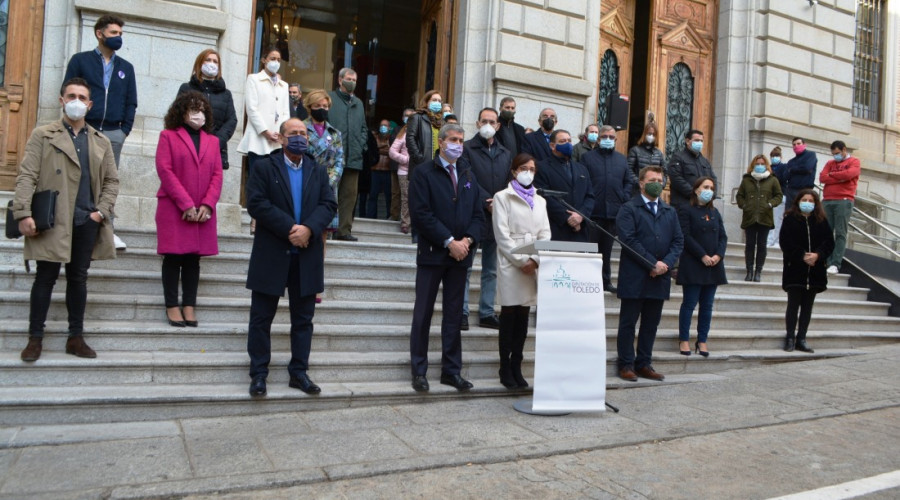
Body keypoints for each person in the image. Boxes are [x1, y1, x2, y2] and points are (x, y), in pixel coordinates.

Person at [13, 77, 119, 362]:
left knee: (78, 279)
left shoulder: (100, 141)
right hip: (53, 218)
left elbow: (111, 181)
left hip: (86, 219)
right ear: (61, 100)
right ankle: (35, 338)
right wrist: (22, 212)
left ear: (89, 104)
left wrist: (101, 212)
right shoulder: (43, 134)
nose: (76, 101)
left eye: (82, 97)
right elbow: (27, 175)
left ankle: (76, 337)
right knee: (45, 278)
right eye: (71, 96)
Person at [245, 118, 337, 397]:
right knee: (261, 318)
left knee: (303, 320)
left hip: (306, 255)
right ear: (282, 139)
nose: (299, 137)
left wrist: (309, 228)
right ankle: (259, 373)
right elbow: (257, 203)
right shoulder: (263, 166)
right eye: (293, 133)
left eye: (303, 133)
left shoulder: (317, 171)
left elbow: (329, 204)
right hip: (272, 253)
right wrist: (290, 229)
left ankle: (299, 372)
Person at [408, 123, 484, 393]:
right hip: (433, 255)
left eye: (461, 140)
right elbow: (421, 213)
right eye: (453, 139)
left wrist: (467, 241)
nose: (458, 144)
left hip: (460, 257)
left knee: (453, 316)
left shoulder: (467, 173)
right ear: (441, 142)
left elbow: (478, 214)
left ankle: (451, 371)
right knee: (423, 314)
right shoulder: (423, 173)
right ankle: (419, 370)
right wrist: (449, 241)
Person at [64, 14, 136, 251]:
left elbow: (131, 102)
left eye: (120, 34)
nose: (118, 38)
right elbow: (68, 91)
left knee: (109, 181)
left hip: (114, 132)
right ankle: (72, 227)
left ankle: (108, 230)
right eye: (114, 33)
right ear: (100, 33)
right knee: (80, 176)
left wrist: (124, 130)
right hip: (86, 128)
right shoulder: (80, 60)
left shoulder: (126, 67)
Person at [155, 92, 223, 328]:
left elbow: (217, 175)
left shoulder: (212, 141)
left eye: (202, 109)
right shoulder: (168, 136)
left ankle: (189, 305)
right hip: (175, 207)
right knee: (173, 257)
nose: (198, 113)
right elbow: (165, 170)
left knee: (193, 259)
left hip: (202, 210)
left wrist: (207, 204)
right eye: (193, 109)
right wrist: (185, 203)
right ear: (181, 111)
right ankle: (172, 305)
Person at [615, 166, 683, 382]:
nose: (657, 183)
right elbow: (628, 239)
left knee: (651, 324)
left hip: (660, 277)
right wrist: (651, 263)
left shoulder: (669, 211)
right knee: (628, 323)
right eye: (652, 179)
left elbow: (678, 241)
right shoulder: (629, 208)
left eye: (660, 179)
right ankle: (626, 364)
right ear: (642, 183)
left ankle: (644, 363)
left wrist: (665, 264)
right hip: (635, 275)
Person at [492, 153, 551, 388]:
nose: (529, 172)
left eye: (532, 169)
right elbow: (501, 235)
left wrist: (535, 259)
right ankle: (504, 367)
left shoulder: (541, 200)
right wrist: (521, 260)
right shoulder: (502, 197)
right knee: (509, 315)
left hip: (533, 263)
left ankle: (517, 364)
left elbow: (545, 233)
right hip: (511, 261)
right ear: (515, 171)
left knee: (524, 316)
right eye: (524, 168)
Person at [461, 107, 512, 331]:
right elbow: (466, 176)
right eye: (484, 121)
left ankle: (487, 311)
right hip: (473, 214)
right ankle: (461, 311)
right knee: (466, 267)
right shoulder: (466, 149)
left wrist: (499, 202)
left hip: (496, 216)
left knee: (491, 269)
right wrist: (486, 201)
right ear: (477, 123)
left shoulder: (505, 153)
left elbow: (510, 182)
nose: (488, 125)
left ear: (498, 126)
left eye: (492, 121)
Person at [676, 177, 727, 357]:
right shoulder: (686, 210)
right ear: (696, 189)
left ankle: (702, 340)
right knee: (689, 304)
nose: (709, 190)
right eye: (706, 187)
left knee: (707, 306)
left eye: (711, 187)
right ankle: (683, 339)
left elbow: (723, 236)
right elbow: (685, 235)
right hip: (694, 264)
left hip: (713, 266)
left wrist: (718, 256)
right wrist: (702, 255)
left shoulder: (715, 212)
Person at [580, 124, 635, 292]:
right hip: (593, 212)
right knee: (590, 249)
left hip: (613, 212)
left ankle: (605, 281)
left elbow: (628, 181)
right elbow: (582, 181)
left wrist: (624, 198)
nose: (608, 140)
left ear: (616, 140)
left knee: (607, 250)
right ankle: (587, 279)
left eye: (612, 137)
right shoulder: (587, 158)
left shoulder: (621, 159)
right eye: (605, 137)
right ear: (598, 139)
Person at [779, 190, 834, 354]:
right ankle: (790, 337)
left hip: (815, 271)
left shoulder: (821, 220)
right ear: (798, 201)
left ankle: (801, 338)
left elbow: (829, 243)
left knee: (807, 307)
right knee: (793, 305)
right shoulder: (790, 219)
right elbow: (785, 242)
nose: (808, 202)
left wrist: (818, 255)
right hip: (795, 269)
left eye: (811, 200)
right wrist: (801, 255)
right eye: (804, 199)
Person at [302, 89, 344, 304]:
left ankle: (316, 285)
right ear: (310, 107)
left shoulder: (335, 133)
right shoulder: (301, 128)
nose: (323, 109)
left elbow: (339, 162)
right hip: (304, 187)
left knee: (322, 240)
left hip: (327, 191)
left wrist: (327, 182)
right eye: (319, 106)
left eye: (326, 106)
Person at [177, 49, 238, 171]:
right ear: (200, 63)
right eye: (208, 60)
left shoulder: (226, 94)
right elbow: (178, 115)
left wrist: (216, 142)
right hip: (190, 147)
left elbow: (231, 120)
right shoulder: (186, 88)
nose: (212, 63)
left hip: (216, 150)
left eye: (215, 61)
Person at [533, 129, 594, 242]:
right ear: (552, 145)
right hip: (556, 228)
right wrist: (568, 218)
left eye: (569, 141)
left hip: (580, 230)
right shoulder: (541, 167)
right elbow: (544, 196)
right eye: (562, 141)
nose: (567, 144)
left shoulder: (581, 168)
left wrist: (581, 216)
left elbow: (589, 196)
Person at [329, 68, 368, 241]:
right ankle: (326, 227)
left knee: (349, 196)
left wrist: (361, 144)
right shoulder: (329, 99)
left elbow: (363, 128)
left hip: (353, 158)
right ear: (340, 80)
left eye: (354, 79)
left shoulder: (359, 103)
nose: (352, 82)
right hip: (331, 156)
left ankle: (344, 231)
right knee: (329, 193)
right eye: (349, 78)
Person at [236, 47, 290, 171]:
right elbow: (251, 109)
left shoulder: (284, 85)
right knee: (257, 181)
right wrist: (266, 132)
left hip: (277, 142)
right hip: (258, 140)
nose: (275, 62)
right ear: (264, 60)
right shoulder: (254, 79)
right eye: (272, 59)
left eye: (278, 60)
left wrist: (282, 133)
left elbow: (285, 112)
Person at [736, 154, 783, 281]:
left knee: (762, 245)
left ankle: (758, 271)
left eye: (762, 164)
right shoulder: (746, 180)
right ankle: (749, 270)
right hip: (749, 216)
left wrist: (770, 204)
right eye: (757, 164)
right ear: (753, 165)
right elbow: (739, 196)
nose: (760, 166)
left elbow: (778, 195)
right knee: (749, 245)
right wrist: (744, 205)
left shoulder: (772, 180)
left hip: (765, 217)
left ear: (766, 165)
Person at [819, 140, 860, 275]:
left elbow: (849, 175)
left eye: (837, 153)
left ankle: (835, 263)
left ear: (844, 150)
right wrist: (839, 178)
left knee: (840, 232)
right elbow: (822, 178)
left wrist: (832, 175)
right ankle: (826, 260)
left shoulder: (854, 162)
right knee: (825, 232)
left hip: (843, 200)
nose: (835, 156)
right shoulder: (830, 163)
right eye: (833, 154)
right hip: (827, 200)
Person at [667, 129, 717, 208]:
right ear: (687, 141)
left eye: (701, 141)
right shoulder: (678, 158)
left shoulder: (705, 161)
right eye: (697, 140)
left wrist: (712, 195)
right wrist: (695, 194)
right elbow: (676, 179)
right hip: (683, 204)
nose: (700, 143)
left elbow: (713, 179)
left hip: (702, 205)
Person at [627, 123, 665, 196]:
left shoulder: (659, 153)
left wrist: (661, 185)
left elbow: (664, 171)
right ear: (644, 134)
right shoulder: (635, 150)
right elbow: (629, 169)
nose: (651, 136)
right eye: (649, 134)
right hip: (638, 191)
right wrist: (640, 183)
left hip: (654, 191)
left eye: (653, 135)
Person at [389, 115, 412, 234]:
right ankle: (405, 223)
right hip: (404, 171)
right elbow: (392, 151)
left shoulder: (422, 135)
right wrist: (406, 159)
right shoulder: (403, 135)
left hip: (418, 171)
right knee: (406, 197)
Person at [367, 119, 393, 219]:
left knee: (389, 197)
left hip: (387, 171)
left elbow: (391, 152)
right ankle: (371, 217)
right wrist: (384, 149)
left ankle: (389, 217)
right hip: (375, 170)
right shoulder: (374, 138)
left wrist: (379, 149)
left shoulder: (392, 139)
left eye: (385, 125)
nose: (383, 127)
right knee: (373, 195)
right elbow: (373, 150)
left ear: (389, 128)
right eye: (382, 125)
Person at [783, 137, 817, 211]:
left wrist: (792, 169)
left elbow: (807, 168)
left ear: (804, 145)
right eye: (794, 145)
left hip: (805, 190)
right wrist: (799, 168)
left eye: (798, 144)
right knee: (789, 214)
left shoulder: (811, 155)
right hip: (791, 190)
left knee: (803, 213)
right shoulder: (791, 161)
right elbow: (785, 176)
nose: (796, 146)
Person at [767, 146, 787, 248]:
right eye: (773, 156)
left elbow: (783, 179)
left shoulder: (784, 167)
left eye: (777, 156)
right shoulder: (768, 167)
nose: (775, 158)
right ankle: (769, 240)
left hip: (780, 195)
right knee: (769, 219)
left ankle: (777, 241)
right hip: (769, 197)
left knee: (778, 220)